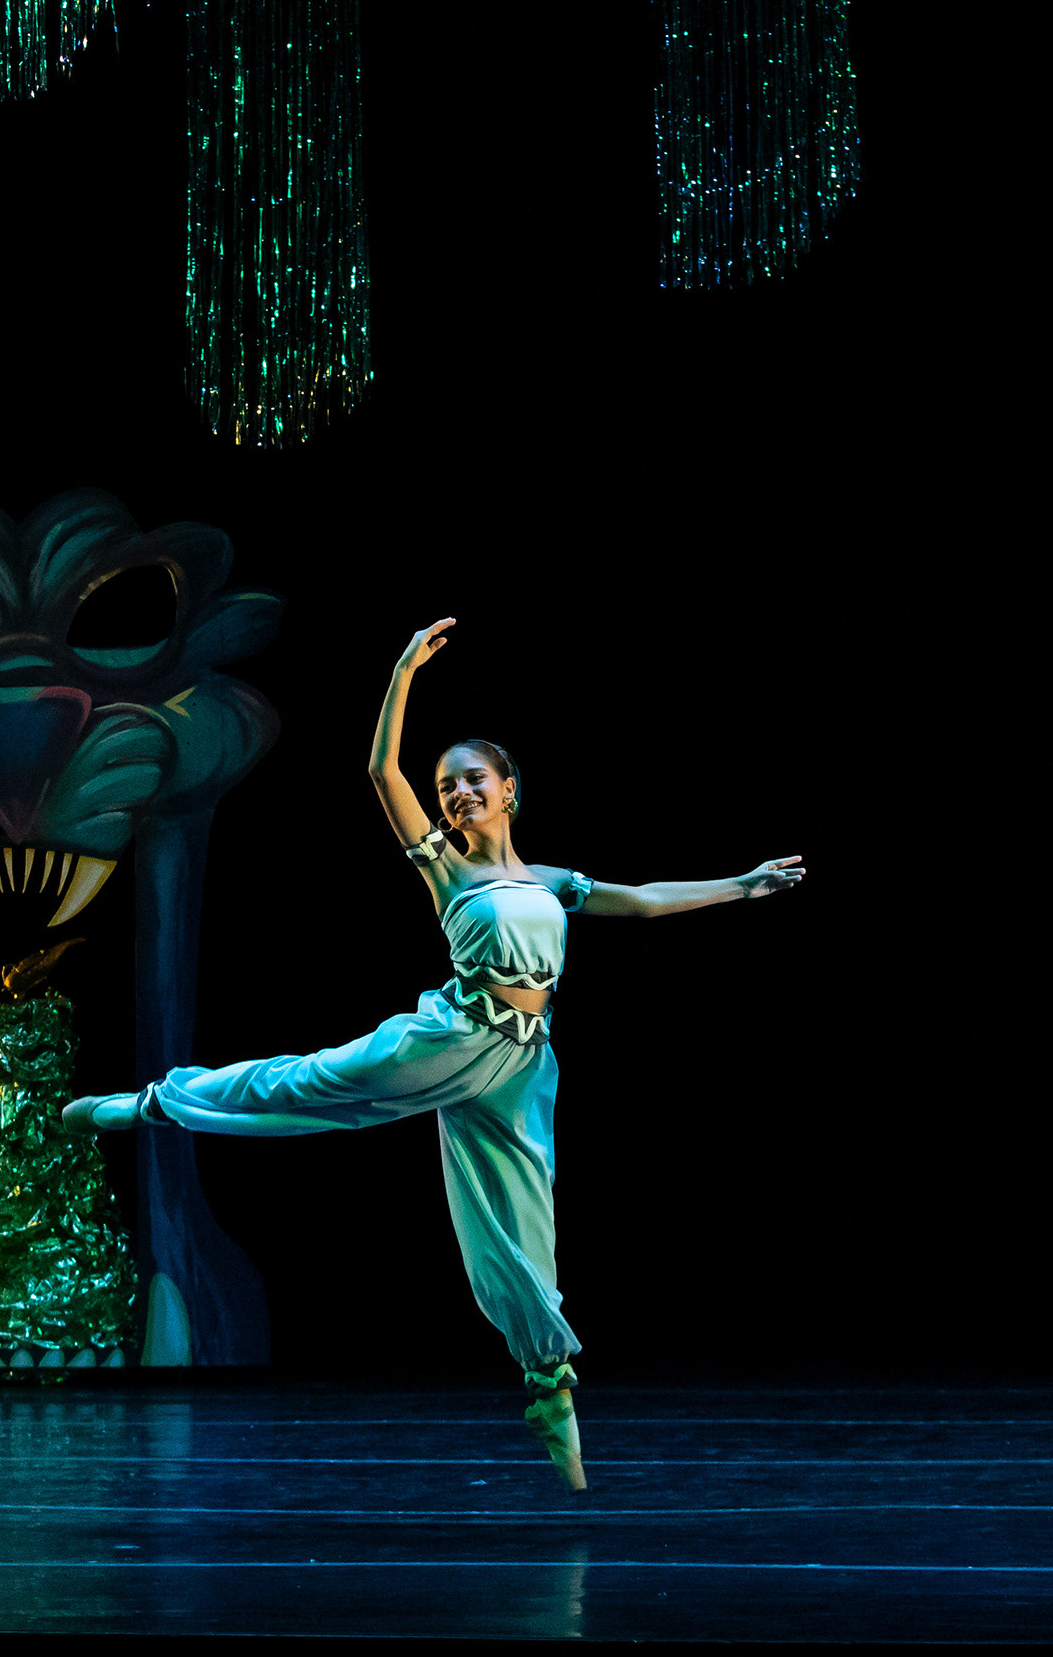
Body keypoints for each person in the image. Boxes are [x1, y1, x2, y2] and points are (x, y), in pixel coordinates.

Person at [64, 618, 805, 1490]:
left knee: (524, 1227)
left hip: (523, 1064)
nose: (456, 794)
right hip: (450, 1037)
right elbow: (382, 771)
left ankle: (549, 1388)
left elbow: (641, 901)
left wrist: (742, 886)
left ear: (509, 791)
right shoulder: (449, 871)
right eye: (448, 785)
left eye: (471, 780)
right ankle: (154, 1103)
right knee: (310, 1081)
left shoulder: (550, 882)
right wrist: (403, 672)